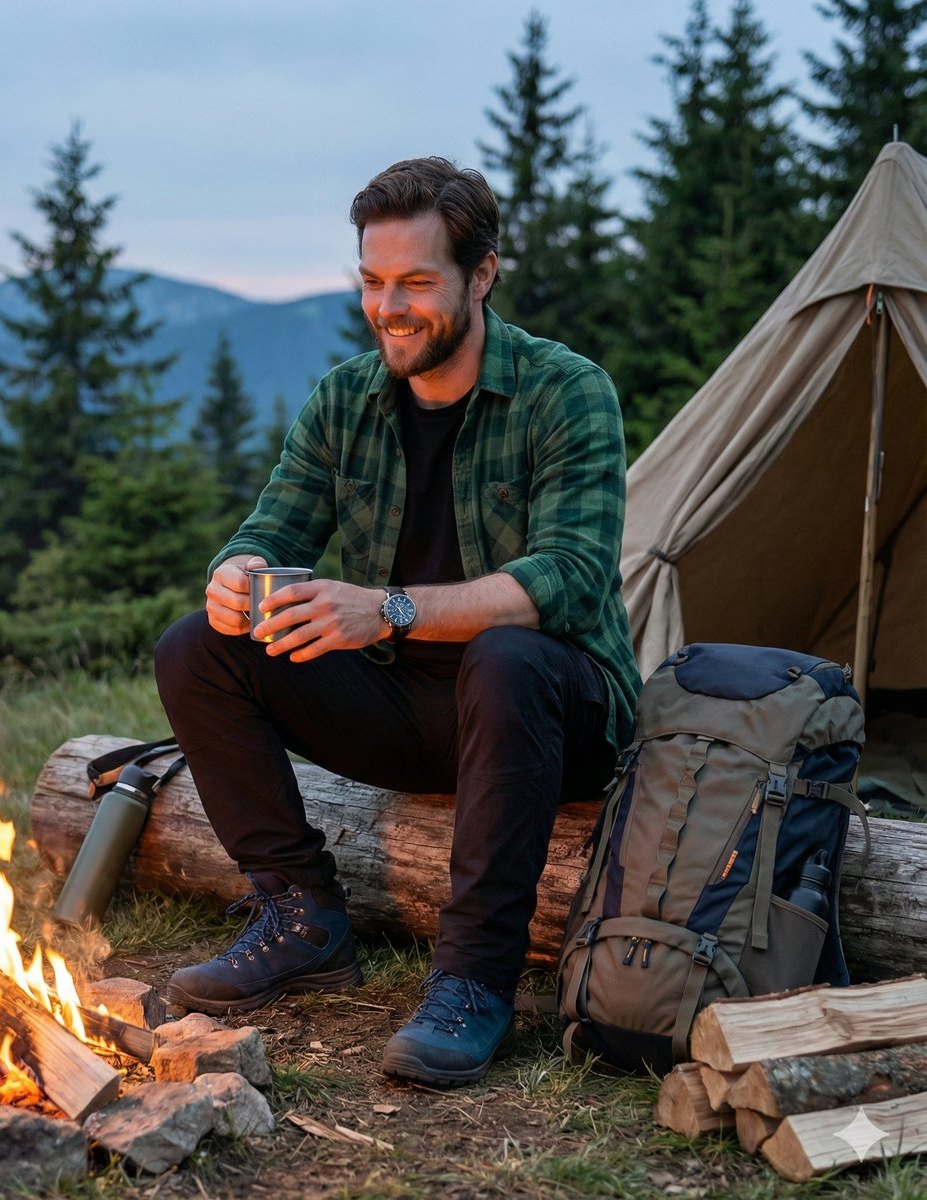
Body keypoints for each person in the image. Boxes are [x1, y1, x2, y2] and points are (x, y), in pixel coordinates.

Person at [153, 156, 641, 1088]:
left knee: (505, 658)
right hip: (406, 710)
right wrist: (235, 574)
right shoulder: (347, 400)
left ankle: (473, 979)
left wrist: (386, 610)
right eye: (373, 282)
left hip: (553, 716)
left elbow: (571, 578)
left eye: (415, 282)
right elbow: (269, 528)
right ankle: (301, 917)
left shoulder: (565, 391)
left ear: (481, 274)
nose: (389, 308)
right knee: (196, 647)